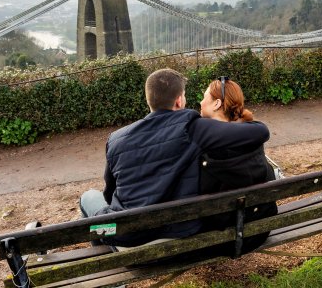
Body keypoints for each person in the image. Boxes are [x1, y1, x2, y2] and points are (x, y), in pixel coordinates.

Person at [80, 69, 270, 249]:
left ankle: (103, 260)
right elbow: (260, 131)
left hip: (126, 238)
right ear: (179, 101)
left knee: (89, 198)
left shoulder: (116, 139)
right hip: (182, 231)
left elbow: (109, 193)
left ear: (149, 100)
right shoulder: (193, 129)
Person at [197, 76, 278, 254]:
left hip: (220, 241)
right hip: (258, 232)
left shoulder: (204, 148)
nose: (200, 102)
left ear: (217, 103)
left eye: (204, 97)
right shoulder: (254, 137)